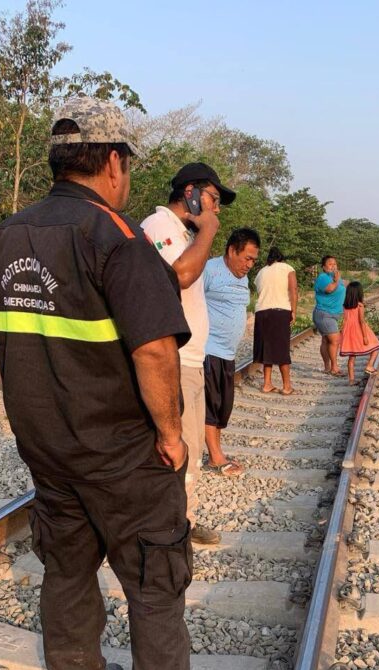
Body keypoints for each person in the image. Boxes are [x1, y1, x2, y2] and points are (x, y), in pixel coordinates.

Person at [0, 97, 230, 670]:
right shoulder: (115, 238)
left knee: (66, 567)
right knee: (154, 578)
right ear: (114, 162)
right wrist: (171, 436)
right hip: (119, 451)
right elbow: (154, 351)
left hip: (47, 448)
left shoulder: (7, 236)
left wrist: (31, 414)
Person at [142, 162, 236, 544]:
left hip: (192, 359)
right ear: (190, 193)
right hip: (172, 360)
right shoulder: (159, 226)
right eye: (213, 198)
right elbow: (180, 274)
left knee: (191, 449)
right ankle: (168, 529)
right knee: (174, 450)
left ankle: (184, 520)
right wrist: (209, 229)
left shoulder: (182, 233)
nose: (216, 208)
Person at [202, 228, 260, 475]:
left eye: (253, 260)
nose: (249, 265)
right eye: (246, 258)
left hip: (228, 353)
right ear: (231, 251)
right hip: (208, 348)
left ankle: (217, 451)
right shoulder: (209, 269)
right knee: (210, 404)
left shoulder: (242, 278)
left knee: (223, 407)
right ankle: (215, 457)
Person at [253, 247, 298, 395]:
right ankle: (286, 386)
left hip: (261, 312)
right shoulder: (287, 268)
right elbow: (293, 290)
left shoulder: (261, 272)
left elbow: (260, 291)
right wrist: (294, 311)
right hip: (280, 311)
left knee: (267, 348)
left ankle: (267, 384)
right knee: (281, 348)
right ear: (281, 258)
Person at [339, 280, 379, 384]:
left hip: (348, 331)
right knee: (376, 345)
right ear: (359, 293)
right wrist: (365, 336)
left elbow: (345, 320)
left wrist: (342, 332)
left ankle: (351, 380)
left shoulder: (345, 306)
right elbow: (361, 321)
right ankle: (369, 365)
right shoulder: (359, 306)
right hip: (359, 330)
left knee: (351, 356)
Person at [313, 255, 346, 376]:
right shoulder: (323, 278)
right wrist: (336, 281)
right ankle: (334, 368)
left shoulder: (336, 278)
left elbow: (343, 289)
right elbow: (329, 289)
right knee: (335, 340)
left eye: (335, 264)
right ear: (324, 267)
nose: (333, 266)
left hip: (333, 314)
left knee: (326, 340)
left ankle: (327, 367)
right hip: (324, 314)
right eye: (330, 264)